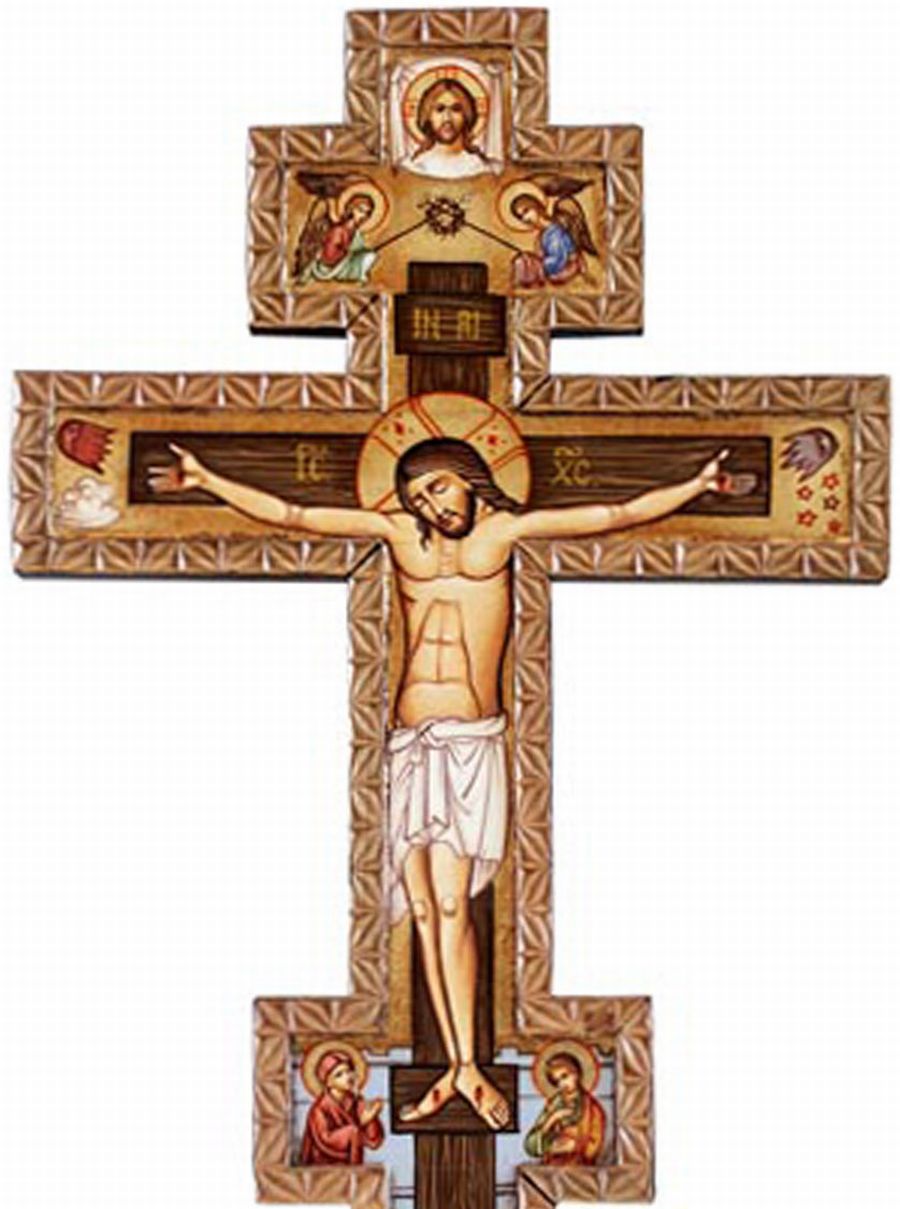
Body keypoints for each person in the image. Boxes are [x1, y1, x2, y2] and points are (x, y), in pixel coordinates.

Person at [150, 434, 732, 1130]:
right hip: (409, 745)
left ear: (469, 477)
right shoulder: (403, 537)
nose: (432, 506)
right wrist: (206, 479)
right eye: (418, 497)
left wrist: (696, 486)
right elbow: (296, 515)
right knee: (424, 911)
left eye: (439, 488)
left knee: (453, 904)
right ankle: (458, 1065)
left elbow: (613, 515)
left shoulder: (503, 534)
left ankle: (469, 1066)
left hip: (467, 745)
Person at [299, 1049, 384, 1165]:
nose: (347, 1077)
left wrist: (371, 1117)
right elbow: (325, 1140)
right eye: (339, 1075)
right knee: (352, 1131)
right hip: (323, 1166)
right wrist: (355, 1128)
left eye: (348, 1071)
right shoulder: (319, 1109)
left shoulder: (356, 1101)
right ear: (328, 1082)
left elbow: (373, 1142)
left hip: (351, 1166)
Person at [402, 77, 495, 179]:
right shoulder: (416, 166)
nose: (447, 118)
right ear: (428, 116)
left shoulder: (479, 167)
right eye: (439, 109)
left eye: (456, 109)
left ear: (466, 115)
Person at [524, 1052, 605, 1165]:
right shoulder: (553, 1105)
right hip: (552, 1166)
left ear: (577, 1073)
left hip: (579, 1168)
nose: (562, 1084)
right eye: (557, 1081)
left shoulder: (592, 1107)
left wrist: (575, 1146)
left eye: (565, 1076)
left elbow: (594, 1144)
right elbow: (530, 1144)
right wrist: (553, 1118)